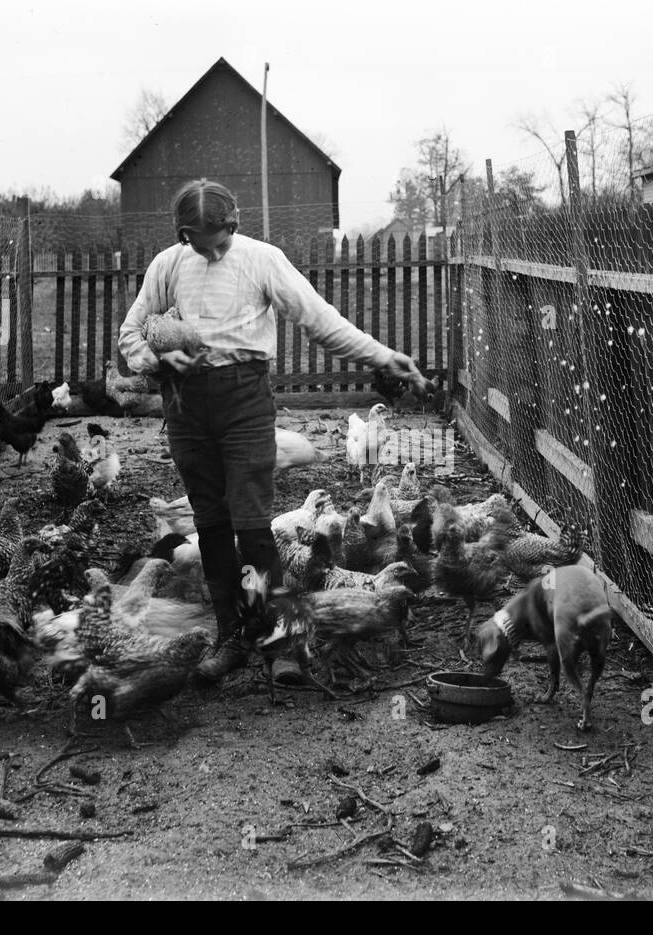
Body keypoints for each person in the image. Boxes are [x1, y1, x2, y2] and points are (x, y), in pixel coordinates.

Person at [118, 178, 430, 687]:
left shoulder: (262, 260)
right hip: (186, 405)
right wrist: (158, 360)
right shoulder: (168, 265)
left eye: (222, 238)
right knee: (211, 524)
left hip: (244, 401)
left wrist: (383, 356)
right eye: (201, 241)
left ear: (234, 224)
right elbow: (131, 334)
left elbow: (321, 320)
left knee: (252, 526)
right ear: (183, 233)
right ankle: (229, 636)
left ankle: (279, 640)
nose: (214, 250)